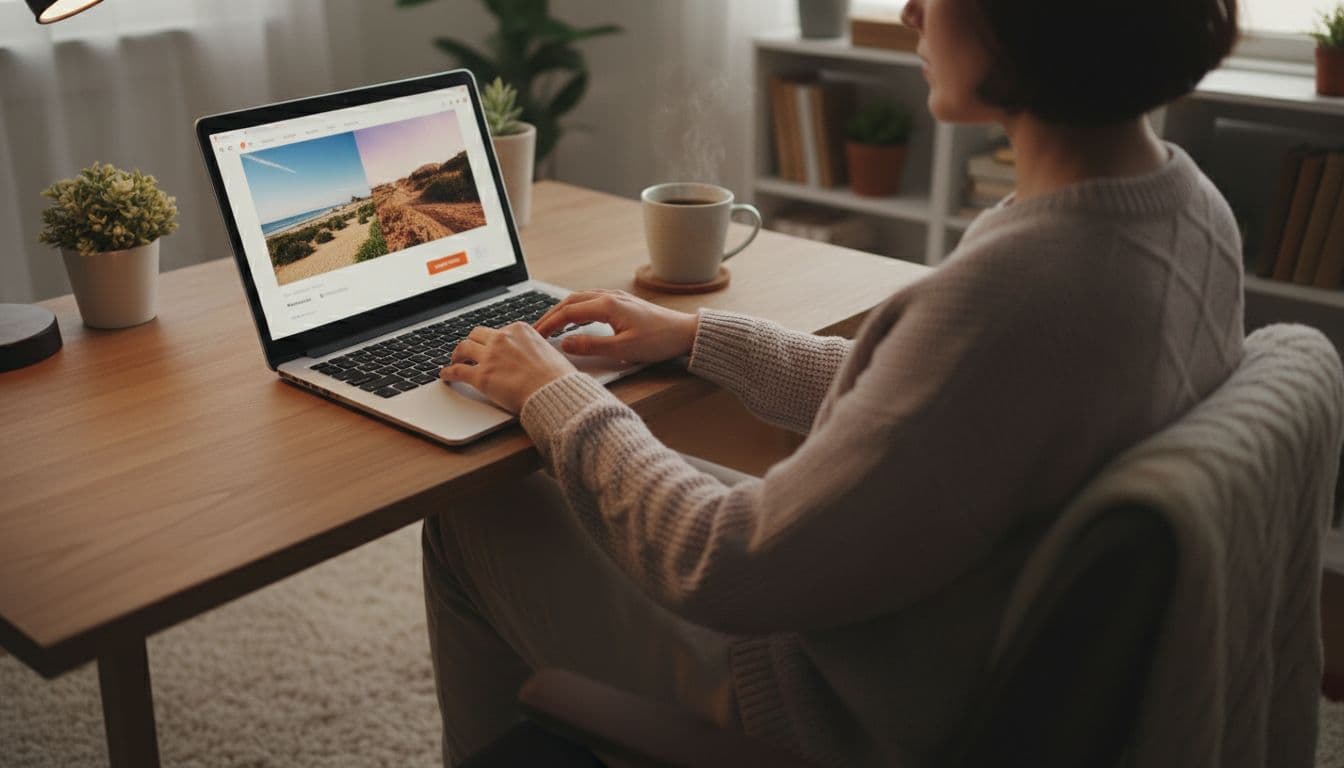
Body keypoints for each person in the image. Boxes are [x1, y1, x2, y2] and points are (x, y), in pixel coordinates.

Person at [421, 0, 1244, 764]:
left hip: (829, 701)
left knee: (475, 510)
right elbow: (934, 398)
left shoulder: (1021, 285)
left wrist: (556, 395)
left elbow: (723, 562)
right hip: (918, 629)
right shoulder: (1188, 207)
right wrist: (699, 337)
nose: (910, 11)